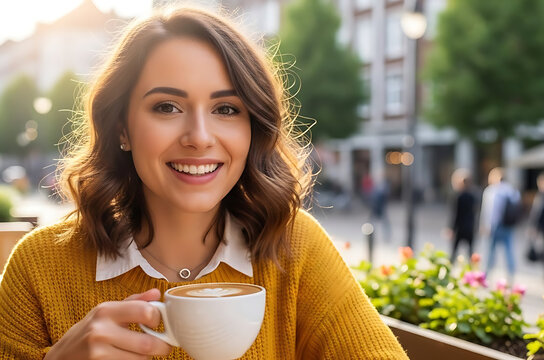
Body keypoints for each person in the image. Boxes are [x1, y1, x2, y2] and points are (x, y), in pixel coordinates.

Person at [0, 8, 407, 359]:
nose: (199, 136)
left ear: (253, 128)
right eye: (167, 107)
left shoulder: (295, 247)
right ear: (121, 127)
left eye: (226, 108)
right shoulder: (38, 267)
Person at [479, 167, 520, 283]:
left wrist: (484, 225)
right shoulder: (511, 190)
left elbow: (488, 211)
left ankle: (486, 274)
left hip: (495, 225)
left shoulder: (491, 191)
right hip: (508, 225)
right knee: (508, 250)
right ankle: (511, 275)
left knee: (490, 251)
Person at [444, 168, 476, 261]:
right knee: (470, 252)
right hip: (470, 227)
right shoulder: (473, 196)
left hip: (460, 228)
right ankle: (472, 271)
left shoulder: (458, 196)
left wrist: (451, 228)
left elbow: (455, 214)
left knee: (453, 252)